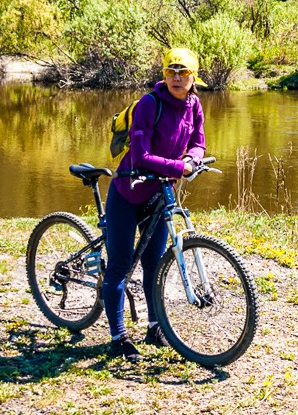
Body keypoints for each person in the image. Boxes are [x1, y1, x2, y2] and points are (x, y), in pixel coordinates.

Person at [103, 48, 207, 362]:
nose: (177, 77)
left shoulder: (194, 105)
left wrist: (192, 158)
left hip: (159, 196)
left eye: (183, 72)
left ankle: (153, 326)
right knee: (120, 266)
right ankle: (118, 337)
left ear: (193, 78)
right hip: (128, 193)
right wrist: (180, 168)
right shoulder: (150, 104)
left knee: (154, 266)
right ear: (164, 74)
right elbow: (141, 157)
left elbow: (198, 142)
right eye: (171, 71)